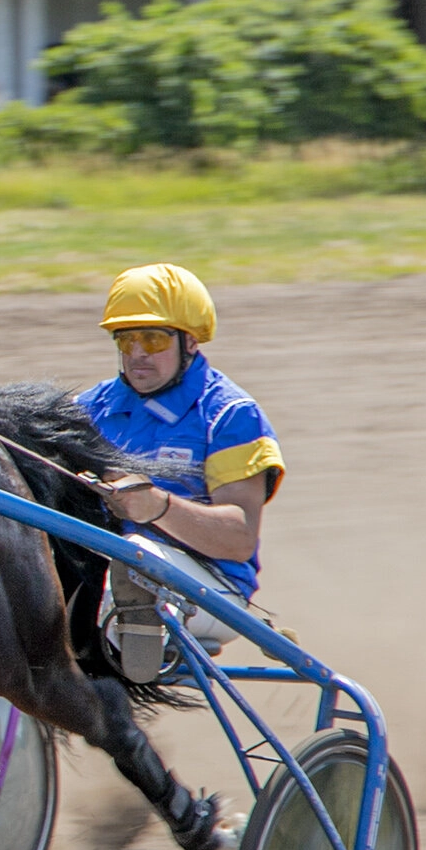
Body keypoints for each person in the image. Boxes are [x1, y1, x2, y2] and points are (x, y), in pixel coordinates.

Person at [77, 265, 282, 684]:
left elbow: (239, 539)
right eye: (126, 338)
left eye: (152, 339)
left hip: (211, 589)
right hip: (104, 574)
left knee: (137, 554)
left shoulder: (230, 416)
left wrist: (157, 507)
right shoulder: (87, 409)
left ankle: (125, 660)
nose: (137, 353)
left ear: (190, 341)